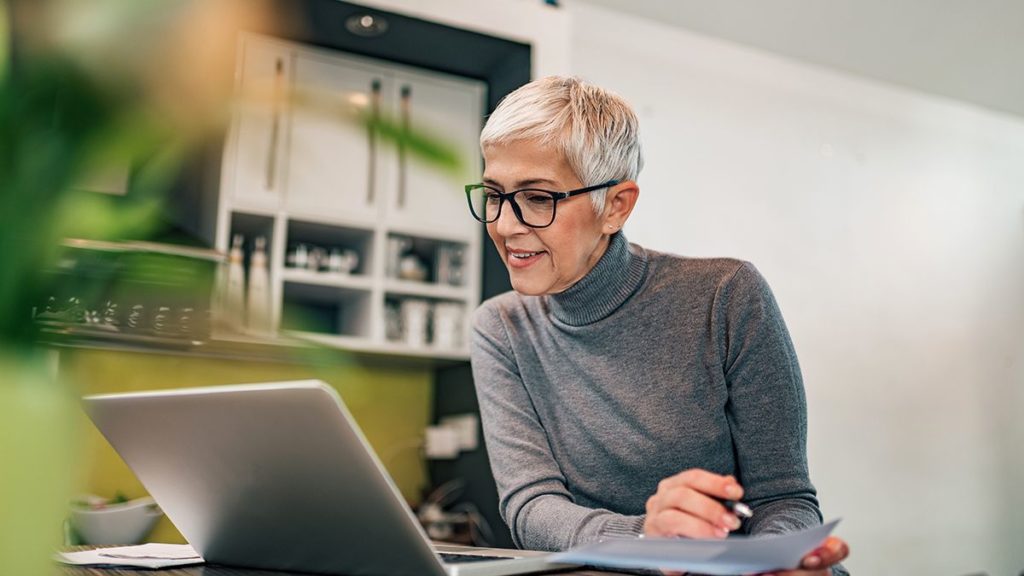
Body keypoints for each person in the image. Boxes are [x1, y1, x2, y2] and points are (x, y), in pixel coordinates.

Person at [466, 76, 850, 575]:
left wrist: (771, 561)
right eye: (494, 194)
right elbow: (530, 506)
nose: (504, 224)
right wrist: (649, 537)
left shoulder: (726, 294)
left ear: (616, 206)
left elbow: (785, 498)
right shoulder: (501, 329)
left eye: (538, 198)